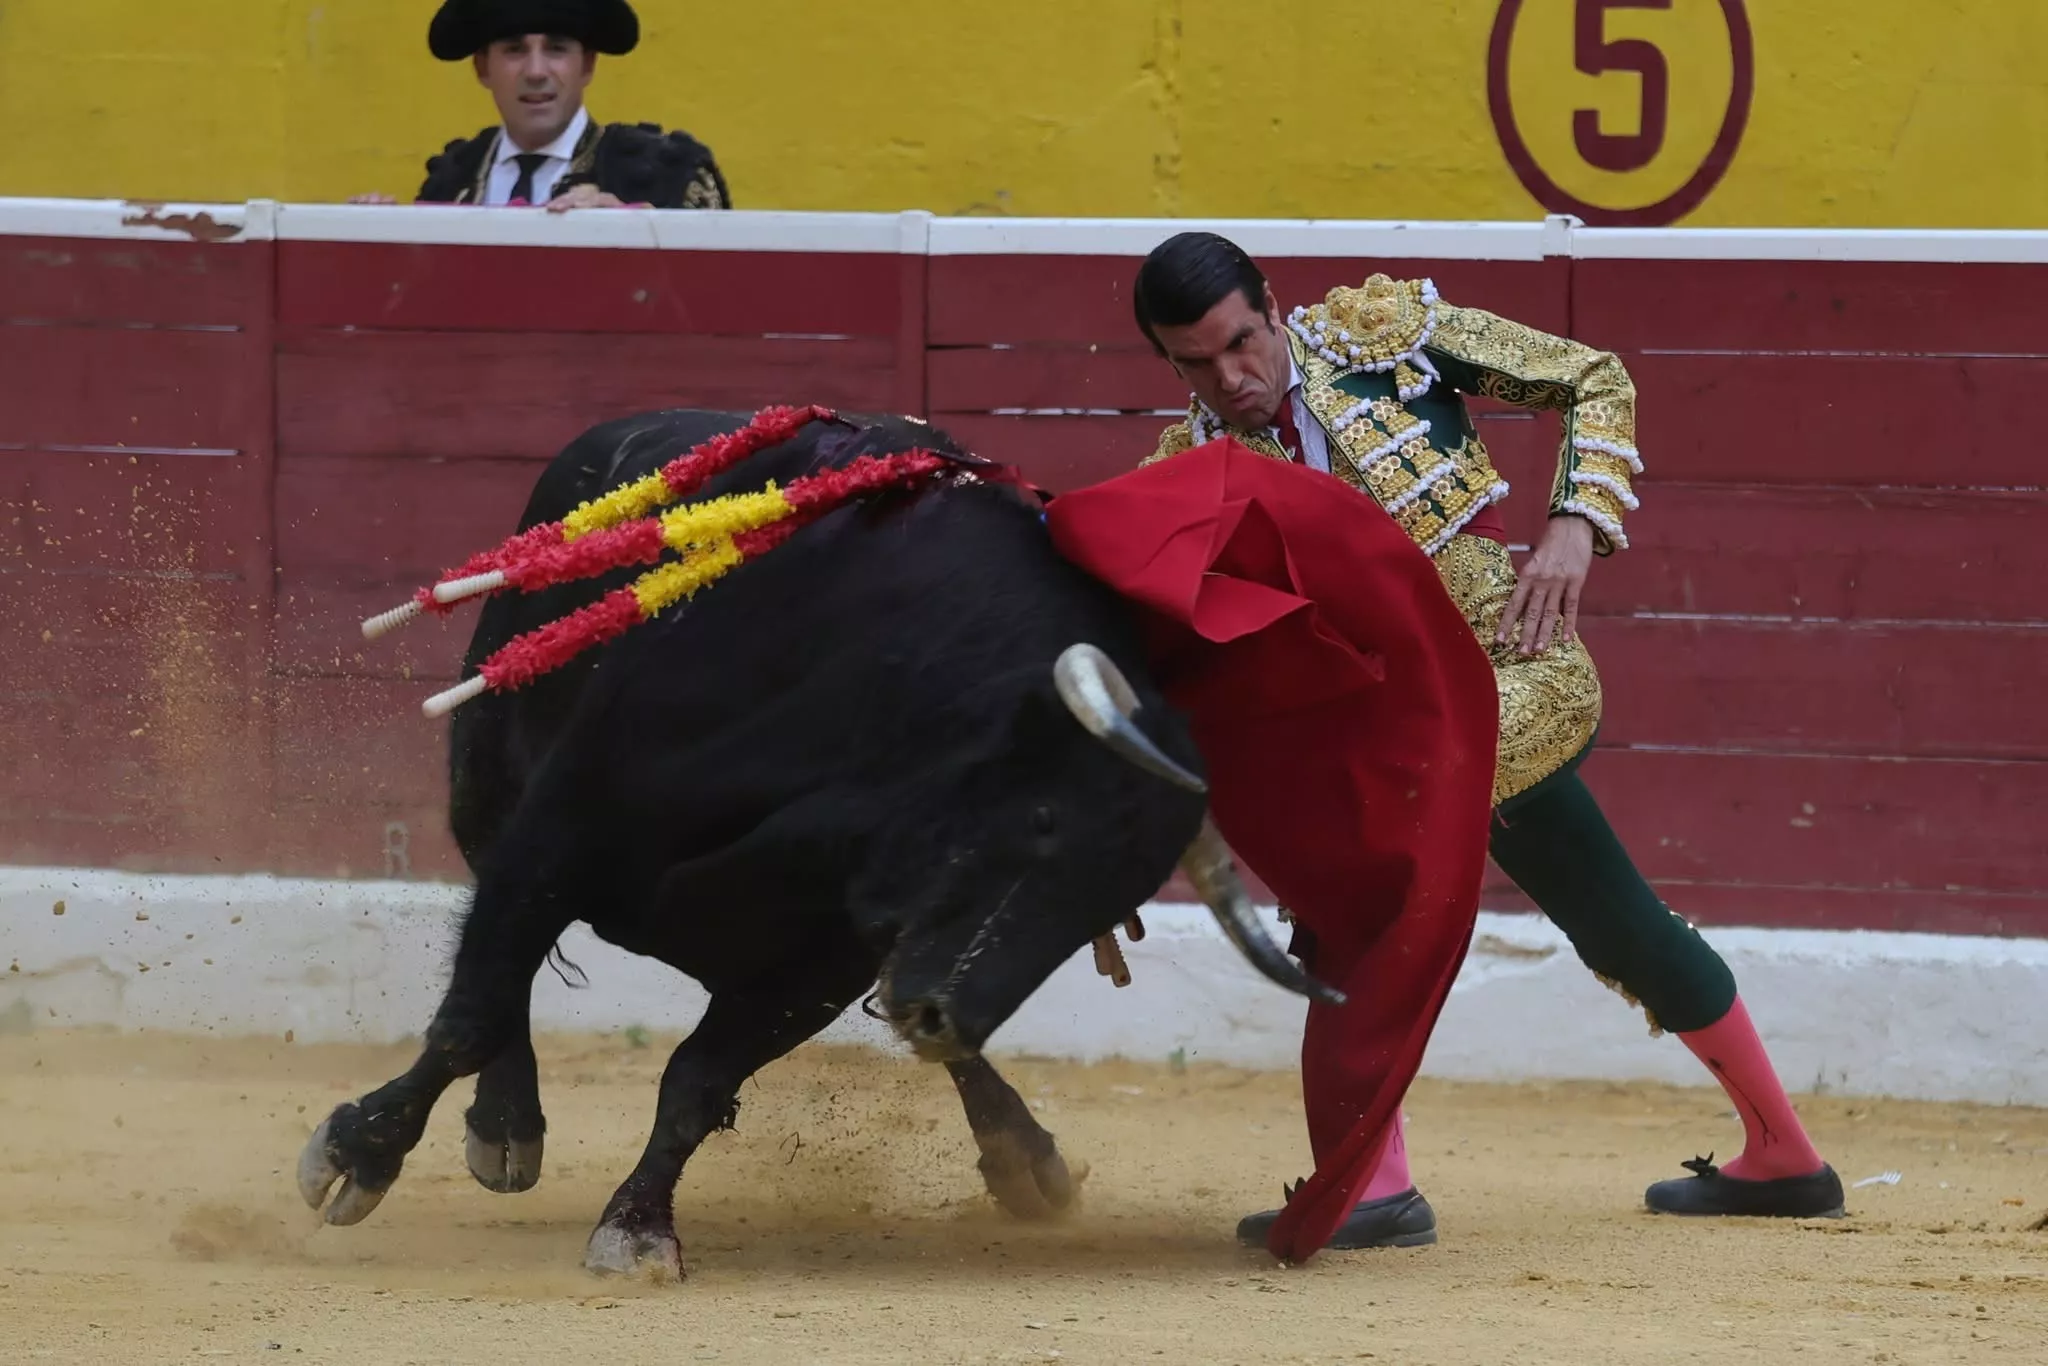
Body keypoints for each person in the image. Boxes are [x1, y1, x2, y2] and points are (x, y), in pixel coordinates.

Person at [1127, 230, 1846, 1251]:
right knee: (1591, 917)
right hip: (1383, 720)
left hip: (1508, 671)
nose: (1229, 378)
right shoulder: (1189, 470)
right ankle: (1775, 1155)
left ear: (1270, 305)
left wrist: (1573, 524)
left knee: (1410, 891)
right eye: (1193, 363)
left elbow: (1591, 379)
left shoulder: (1383, 336)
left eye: (1240, 343)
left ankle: (1380, 1182)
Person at [350, 0, 729, 211]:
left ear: (588, 65)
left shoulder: (669, 177)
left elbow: (717, 317)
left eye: (556, 49)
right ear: (483, 67)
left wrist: (640, 240)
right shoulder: (451, 182)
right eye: (514, 50)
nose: (535, 71)